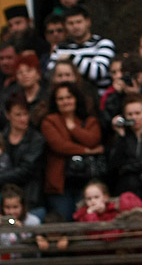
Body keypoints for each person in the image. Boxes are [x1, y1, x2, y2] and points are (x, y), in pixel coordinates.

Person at [40, 81, 102, 220]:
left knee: (87, 222)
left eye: (69, 97)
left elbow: (93, 139)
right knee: (64, 222)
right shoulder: (50, 121)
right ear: (55, 102)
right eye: (60, 99)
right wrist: (87, 151)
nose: (65, 101)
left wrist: (73, 127)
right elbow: (59, 145)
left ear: (76, 98)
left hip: (87, 184)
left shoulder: (89, 120)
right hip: (60, 186)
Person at [45, 5, 116, 91]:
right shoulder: (61, 47)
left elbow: (98, 72)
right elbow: (51, 73)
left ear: (88, 22)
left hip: (100, 99)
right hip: (70, 99)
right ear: (65, 26)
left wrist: (71, 58)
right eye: (70, 23)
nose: (75, 26)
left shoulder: (103, 44)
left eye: (79, 22)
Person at [0, 94, 45, 214]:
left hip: (29, 198)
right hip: (4, 201)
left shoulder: (37, 139)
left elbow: (26, 170)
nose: (23, 118)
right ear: (8, 115)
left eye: (25, 114)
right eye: (18, 114)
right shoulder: (2, 137)